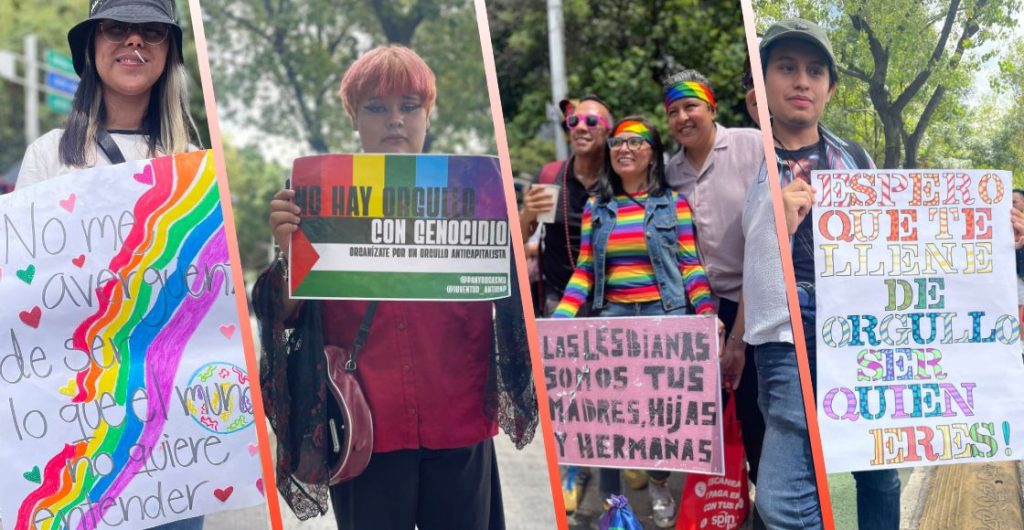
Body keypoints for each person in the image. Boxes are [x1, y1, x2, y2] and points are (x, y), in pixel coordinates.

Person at [254, 45, 535, 529]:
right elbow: (284, 315)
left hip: (458, 418)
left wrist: (511, 237)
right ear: (354, 117)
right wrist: (288, 252)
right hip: (367, 426)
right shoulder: (313, 197)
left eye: (409, 106)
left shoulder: (475, 194)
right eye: (377, 108)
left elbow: (512, 302)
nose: (395, 121)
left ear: (428, 114)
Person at [14, 1, 202, 528]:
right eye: (117, 28)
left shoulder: (192, 163)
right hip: (74, 419)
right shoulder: (49, 156)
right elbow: (20, 286)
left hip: (172, 432)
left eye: (152, 32)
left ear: (170, 52)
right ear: (91, 45)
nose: (133, 42)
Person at [749, 18, 901, 529]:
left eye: (815, 71)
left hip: (864, 334)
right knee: (782, 503)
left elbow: (898, 243)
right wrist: (779, 226)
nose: (801, 81)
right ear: (763, 80)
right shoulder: (754, 159)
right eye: (786, 67)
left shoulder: (857, 160)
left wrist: (996, 238)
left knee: (877, 472)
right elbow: (745, 260)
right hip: (787, 339)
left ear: (830, 89)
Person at [554, 116, 724, 528]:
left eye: (634, 142)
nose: (624, 150)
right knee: (610, 421)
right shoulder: (598, 208)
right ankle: (616, 506)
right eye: (616, 144)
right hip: (613, 321)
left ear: (652, 153)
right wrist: (561, 317)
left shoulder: (673, 205)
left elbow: (689, 265)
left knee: (666, 418)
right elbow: (586, 272)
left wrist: (706, 313)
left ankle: (659, 484)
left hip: (665, 320)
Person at [661, 70, 767, 509]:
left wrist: (737, 337)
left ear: (712, 107)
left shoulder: (753, 145)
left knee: (754, 411)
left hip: (754, 300)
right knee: (701, 418)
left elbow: (764, 244)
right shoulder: (670, 171)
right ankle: (715, 506)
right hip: (698, 307)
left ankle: (767, 506)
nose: (683, 117)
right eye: (673, 111)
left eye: (691, 106)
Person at [520, 95, 614, 317]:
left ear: (608, 131)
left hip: (613, 301)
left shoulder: (620, 177)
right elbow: (521, 238)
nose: (580, 128)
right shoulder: (548, 176)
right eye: (574, 122)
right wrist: (527, 215)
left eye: (591, 122)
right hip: (559, 298)